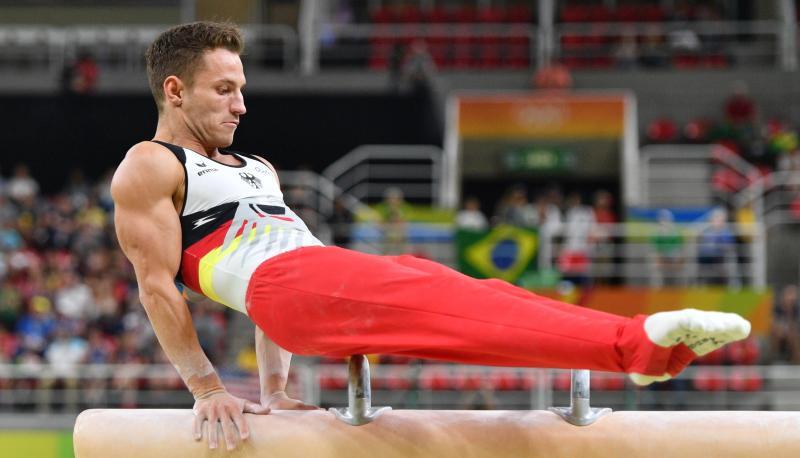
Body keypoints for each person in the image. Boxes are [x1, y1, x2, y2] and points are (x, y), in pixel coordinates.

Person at [112, 22, 752, 451]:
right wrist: (209, 388)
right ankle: (634, 346)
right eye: (224, 90)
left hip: (316, 277)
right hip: (288, 288)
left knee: (480, 294)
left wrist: (277, 391)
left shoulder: (257, 169)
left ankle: (640, 351)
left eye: (242, 89)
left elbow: (281, 262)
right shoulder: (152, 163)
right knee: (457, 306)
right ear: (175, 90)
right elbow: (155, 286)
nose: (241, 105)